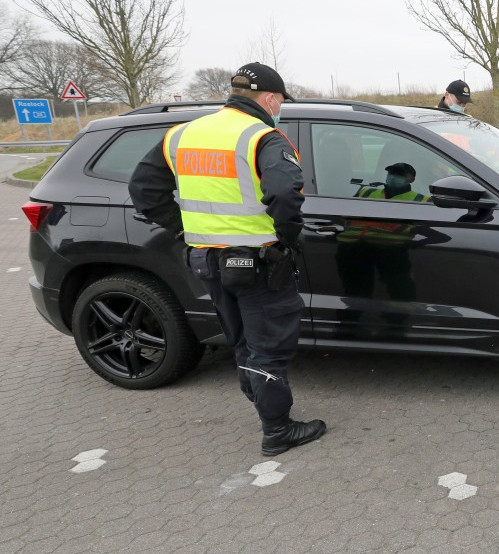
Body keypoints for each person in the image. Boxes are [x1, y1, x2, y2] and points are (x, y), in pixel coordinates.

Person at [128, 63, 327, 457]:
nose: (281, 107)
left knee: (240, 338)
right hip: (257, 263)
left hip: (206, 259)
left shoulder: (182, 134)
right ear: (271, 98)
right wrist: (286, 240)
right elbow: (286, 195)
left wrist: (184, 230)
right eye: (282, 101)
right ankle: (277, 429)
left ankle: (259, 399)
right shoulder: (262, 137)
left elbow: (143, 189)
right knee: (268, 342)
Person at [356, 163, 428, 202]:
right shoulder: (366, 192)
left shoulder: (422, 201)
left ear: (412, 180)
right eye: (391, 173)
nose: (393, 177)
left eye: (400, 174)